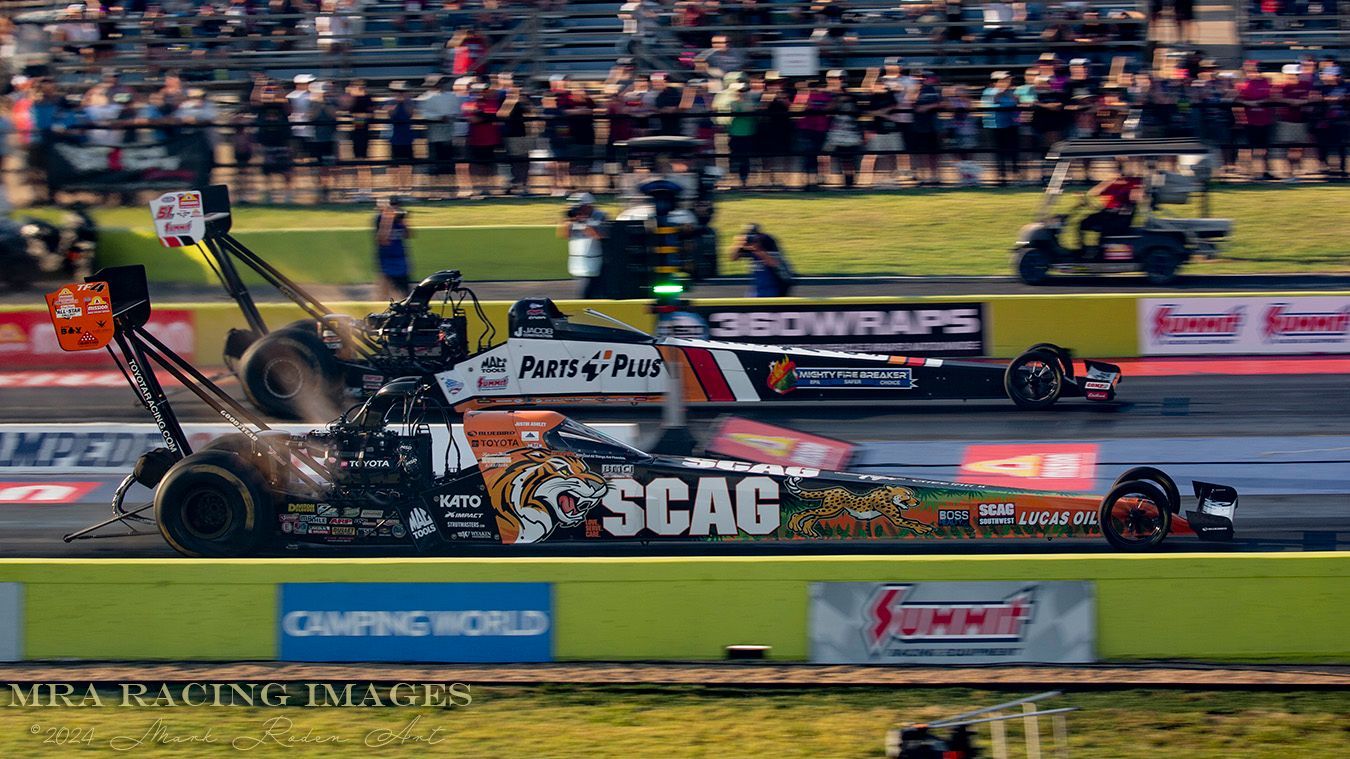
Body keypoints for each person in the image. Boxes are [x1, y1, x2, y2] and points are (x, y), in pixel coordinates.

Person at [1078, 174, 1142, 258]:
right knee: (1084, 222)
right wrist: (1109, 182)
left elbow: (1134, 199)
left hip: (1119, 220)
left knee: (1093, 224)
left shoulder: (1133, 183)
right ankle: (1087, 250)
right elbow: (1092, 193)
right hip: (1112, 216)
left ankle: (1092, 252)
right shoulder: (1118, 184)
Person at [558, 192, 607, 299]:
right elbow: (563, 235)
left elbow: (600, 235)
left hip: (596, 262)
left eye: (579, 207)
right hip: (579, 262)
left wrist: (585, 223)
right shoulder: (573, 218)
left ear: (588, 205)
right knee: (586, 293)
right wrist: (568, 221)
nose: (576, 209)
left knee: (589, 293)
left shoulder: (600, 216)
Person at [731, 224, 793, 297]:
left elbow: (774, 263)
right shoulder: (747, 243)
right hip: (758, 284)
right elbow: (733, 258)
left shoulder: (767, 240)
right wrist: (738, 244)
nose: (751, 238)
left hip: (776, 282)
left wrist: (757, 249)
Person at [374, 197, 413, 300]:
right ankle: (379, 310)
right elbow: (382, 240)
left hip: (400, 259)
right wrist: (388, 219)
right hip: (386, 259)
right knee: (384, 291)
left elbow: (408, 235)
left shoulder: (399, 220)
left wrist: (404, 221)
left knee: (405, 292)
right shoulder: (380, 219)